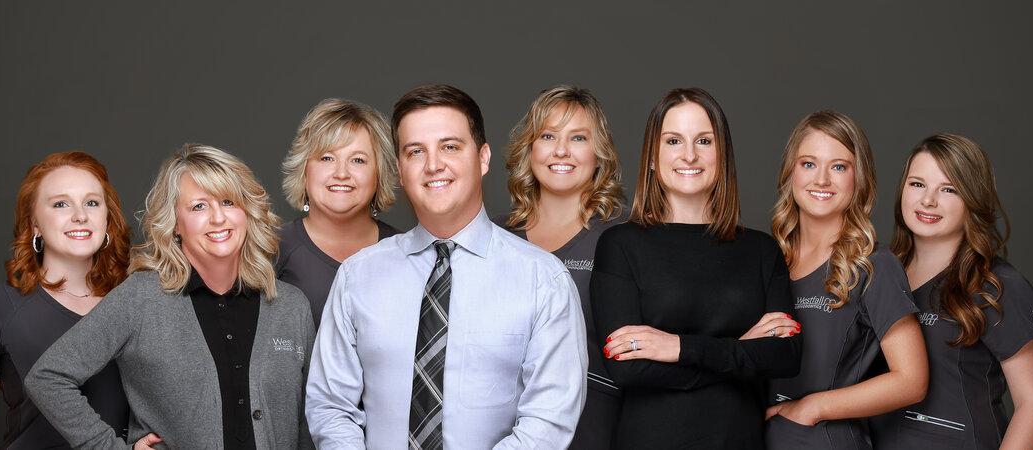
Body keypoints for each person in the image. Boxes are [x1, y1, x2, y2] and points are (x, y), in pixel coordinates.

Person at [306, 84, 587, 449]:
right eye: (416, 151)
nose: (433, 165)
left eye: (450, 147)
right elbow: (330, 407)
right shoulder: (357, 277)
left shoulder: (543, 280)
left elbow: (549, 418)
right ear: (400, 169)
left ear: (483, 158)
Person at [26, 144, 315, 449]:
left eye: (228, 202)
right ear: (176, 223)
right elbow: (48, 377)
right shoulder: (140, 298)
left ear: (246, 211)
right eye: (199, 207)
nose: (218, 218)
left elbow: (311, 418)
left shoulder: (290, 306)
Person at [590, 88, 801, 449]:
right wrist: (740, 352)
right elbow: (625, 367)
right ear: (652, 157)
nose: (689, 154)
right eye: (674, 141)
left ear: (722, 155)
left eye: (704, 141)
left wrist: (677, 347)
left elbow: (785, 356)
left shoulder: (761, 250)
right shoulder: (620, 245)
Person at [870, 133, 1033, 449]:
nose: (928, 200)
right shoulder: (878, 273)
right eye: (918, 184)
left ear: (973, 199)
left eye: (949, 189)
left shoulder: (997, 285)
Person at [764, 111, 928, 449]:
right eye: (809, 164)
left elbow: (911, 380)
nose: (821, 179)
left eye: (838, 167)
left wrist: (812, 407)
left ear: (859, 179)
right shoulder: (767, 259)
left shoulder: (874, 265)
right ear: (790, 172)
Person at [0, 151, 131, 449]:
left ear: (107, 219)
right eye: (61, 204)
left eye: (91, 203)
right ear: (35, 225)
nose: (80, 215)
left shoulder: (136, 304)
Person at [494, 85, 626, 450]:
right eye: (548, 136)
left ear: (599, 154)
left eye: (578, 138)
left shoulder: (628, 233)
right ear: (529, 149)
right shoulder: (493, 236)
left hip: (597, 427)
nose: (561, 150)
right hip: (503, 430)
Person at [277, 98, 400, 325]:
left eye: (358, 160)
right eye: (327, 158)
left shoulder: (407, 252)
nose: (341, 173)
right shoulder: (269, 248)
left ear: (379, 173)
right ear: (304, 170)